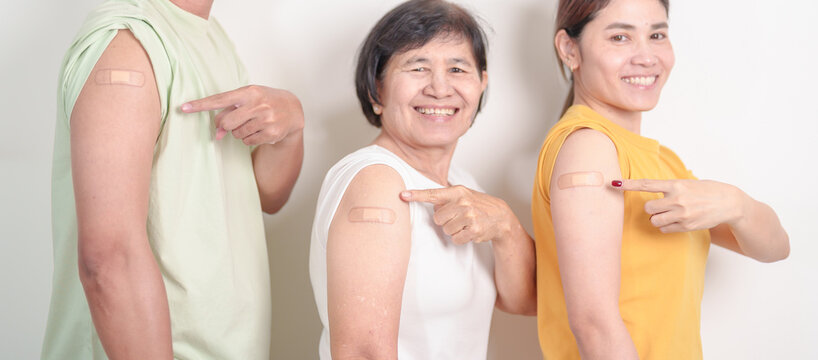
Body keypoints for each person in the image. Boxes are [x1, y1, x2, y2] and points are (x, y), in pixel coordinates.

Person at [42, 0, 304, 358]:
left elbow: (262, 196)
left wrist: (290, 127)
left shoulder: (211, 36)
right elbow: (109, 260)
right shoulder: (128, 42)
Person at [531, 0, 790, 359]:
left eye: (657, 35)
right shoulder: (589, 147)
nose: (646, 56)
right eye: (620, 37)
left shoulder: (663, 162)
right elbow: (594, 325)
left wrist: (735, 203)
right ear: (569, 48)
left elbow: (775, 248)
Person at [308, 0, 536, 359]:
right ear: (376, 90)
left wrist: (506, 225)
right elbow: (364, 352)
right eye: (418, 67)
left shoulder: (465, 183)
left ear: (481, 85)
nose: (440, 88)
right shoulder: (377, 182)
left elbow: (526, 299)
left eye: (458, 69)